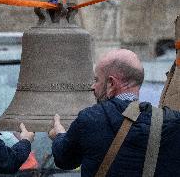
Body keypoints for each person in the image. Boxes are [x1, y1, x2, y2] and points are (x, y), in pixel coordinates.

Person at [48, 49, 180, 177]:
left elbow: (64, 160)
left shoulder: (91, 119)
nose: (93, 86)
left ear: (111, 83)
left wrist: (59, 135)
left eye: (97, 80)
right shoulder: (172, 122)